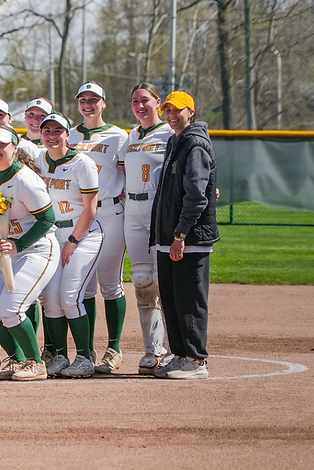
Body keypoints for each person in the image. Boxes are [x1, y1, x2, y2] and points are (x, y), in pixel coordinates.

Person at [0, 126, 57, 382]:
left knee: (11, 309)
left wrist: (19, 245)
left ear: (15, 147)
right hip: (5, 252)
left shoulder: (26, 179)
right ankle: (17, 359)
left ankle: (36, 363)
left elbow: (48, 219)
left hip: (36, 249)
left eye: (1, 144)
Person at [150, 91, 219, 380]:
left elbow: (197, 195)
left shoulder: (195, 144)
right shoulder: (174, 141)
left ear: (191, 111)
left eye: (177, 110)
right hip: (169, 236)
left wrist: (181, 234)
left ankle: (195, 359)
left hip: (188, 238)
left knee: (190, 300)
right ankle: (180, 355)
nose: (171, 115)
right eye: (167, 111)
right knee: (172, 299)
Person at [35, 113, 103, 379]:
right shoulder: (38, 160)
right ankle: (60, 356)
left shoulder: (82, 162)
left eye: (57, 130)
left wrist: (73, 242)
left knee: (70, 296)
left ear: (67, 134)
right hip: (53, 236)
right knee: (50, 298)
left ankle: (85, 357)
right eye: (47, 130)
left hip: (83, 235)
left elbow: (91, 209)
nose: (52, 135)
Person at [69, 81, 129, 375]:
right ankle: (87, 351)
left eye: (94, 99)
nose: (88, 104)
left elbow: (129, 172)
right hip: (80, 216)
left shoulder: (119, 136)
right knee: (85, 286)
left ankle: (114, 348)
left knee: (110, 283)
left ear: (104, 103)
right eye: (83, 99)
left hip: (108, 213)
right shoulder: (69, 135)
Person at [119, 83, 171, 374]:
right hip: (133, 210)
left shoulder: (169, 133)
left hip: (157, 208)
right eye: (135, 101)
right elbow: (123, 167)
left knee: (164, 280)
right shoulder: (133, 134)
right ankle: (153, 349)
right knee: (141, 279)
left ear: (158, 102)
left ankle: (175, 347)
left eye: (145, 100)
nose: (140, 106)